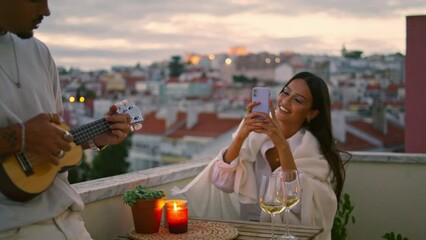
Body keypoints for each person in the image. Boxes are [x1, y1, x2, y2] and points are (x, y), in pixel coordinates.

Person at [0, 1, 134, 239]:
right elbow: (30, 139)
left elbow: (49, 139)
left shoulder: (39, 52)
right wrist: (20, 137)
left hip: (69, 222)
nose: (46, 11)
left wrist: (93, 138)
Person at [173, 72, 348, 240]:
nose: (285, 101)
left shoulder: (312, 153)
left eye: (298, 100)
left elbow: (298, 204)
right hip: (248, 231)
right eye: (285, 92)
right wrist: (241, 135)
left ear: (311, 113)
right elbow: (222, 183)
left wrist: (279, 141)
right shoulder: (255, 135)